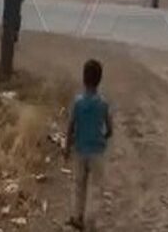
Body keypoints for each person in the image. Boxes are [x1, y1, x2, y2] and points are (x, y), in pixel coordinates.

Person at [65, 59, 114, 231]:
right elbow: (110, 128)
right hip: (97, 152)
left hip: (80, 149)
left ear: (83, 78)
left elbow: (71, 126)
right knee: (96, 188)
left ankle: (77, 217)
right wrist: (104, 137)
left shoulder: (78, 102)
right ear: (99, 79)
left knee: (79, 185)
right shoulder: (103, 103)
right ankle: (91, 222)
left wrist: (67, 147)